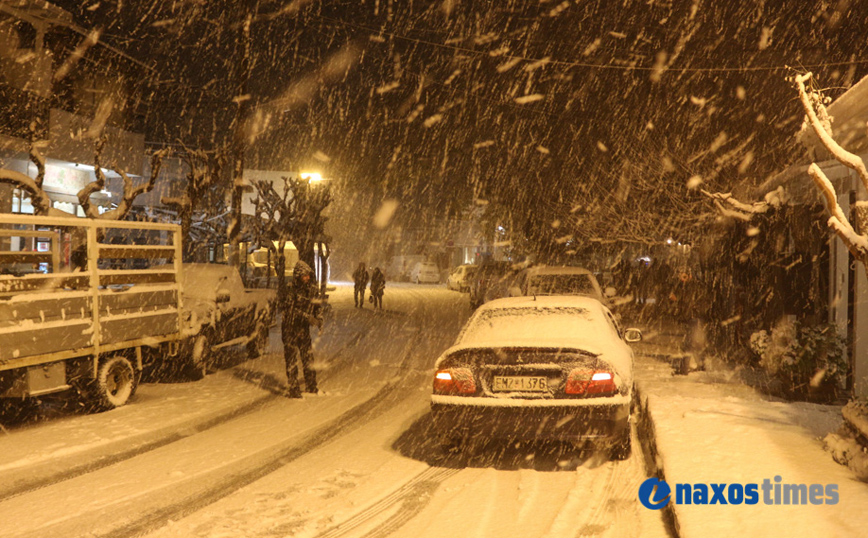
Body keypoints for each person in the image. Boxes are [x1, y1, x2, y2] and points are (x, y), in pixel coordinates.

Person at [281, 260, 322, 398]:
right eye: (305, 276)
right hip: (289, 329)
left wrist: (319, 318)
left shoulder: (311, 289)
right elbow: (290, 310)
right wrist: (307, 317)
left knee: (308, 358)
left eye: (308, 275)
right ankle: (294, 388)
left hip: (303, 330)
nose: (307, 278)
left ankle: (312, 386)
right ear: (298, 275)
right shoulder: (290, 289)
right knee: (291, 360)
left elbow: (317, 305)